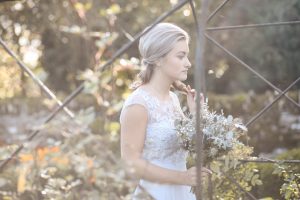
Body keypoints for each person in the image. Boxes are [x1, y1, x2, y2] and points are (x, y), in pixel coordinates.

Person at [119, 22, 211, 200]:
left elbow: (189, 146)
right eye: (181, 56)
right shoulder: (138, 105)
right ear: (158, 59)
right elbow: (131, 163)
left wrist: (196, 114)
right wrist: (182, 177)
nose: (188, 63)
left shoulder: (173, 99)